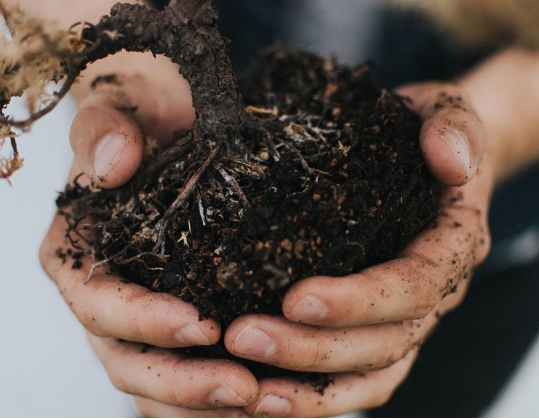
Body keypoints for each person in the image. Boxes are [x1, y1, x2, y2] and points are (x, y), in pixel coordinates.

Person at [7, 0, 539, 416]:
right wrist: (122, 76)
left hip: (500, 247)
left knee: (435, 401)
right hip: (214, 90)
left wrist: (493, 127)